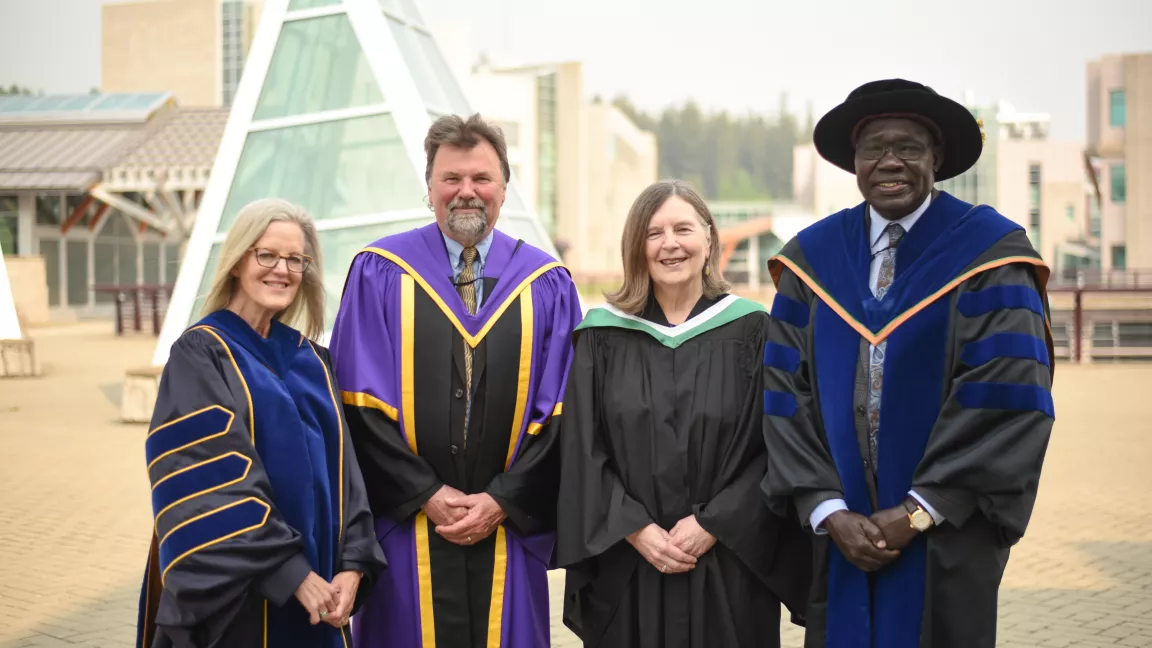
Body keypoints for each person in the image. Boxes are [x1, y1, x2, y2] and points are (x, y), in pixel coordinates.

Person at [760, 79, 1056, 648]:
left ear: (937, 159)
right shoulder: (812, 261)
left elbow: (1008, 397)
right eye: (874, 148)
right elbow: (781, 393)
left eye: (909, 148)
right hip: (838, 532)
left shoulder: (989, 255)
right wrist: (825, 508)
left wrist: (920, 510)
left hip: (944, 535)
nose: (889, 162)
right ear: (854, 162)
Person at [330, 114, 581, 648]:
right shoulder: (379, 272)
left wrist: (503, 500)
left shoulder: (547, 284)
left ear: (504, 189)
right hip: (408, 529)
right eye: (451, 178)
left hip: (507, 532)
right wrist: (425, 493)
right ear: (429, 189)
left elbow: (563, 412)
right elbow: (356, 403)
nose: (466, 191)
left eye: (481, 178)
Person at [556, 179, 812, 648]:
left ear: (709, 238)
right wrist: (633, 528)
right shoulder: (602, 335)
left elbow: (779, 442)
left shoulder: (753, 329)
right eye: (654, 233)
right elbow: (581, 448)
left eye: (683, 229)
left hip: (730, 559)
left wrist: (715, 522)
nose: (670, 244)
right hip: (629, 563)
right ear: (636, 246)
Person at [136, 198, 386, 648]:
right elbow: (205, 480)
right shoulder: (202, 354)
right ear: (237, 262)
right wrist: (290, 572)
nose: (282, 270)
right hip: (241, 604)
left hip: (323, 601)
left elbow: (348, 475)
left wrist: (354, 562)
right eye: (267, 255)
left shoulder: (313, 360)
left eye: (296, 259)